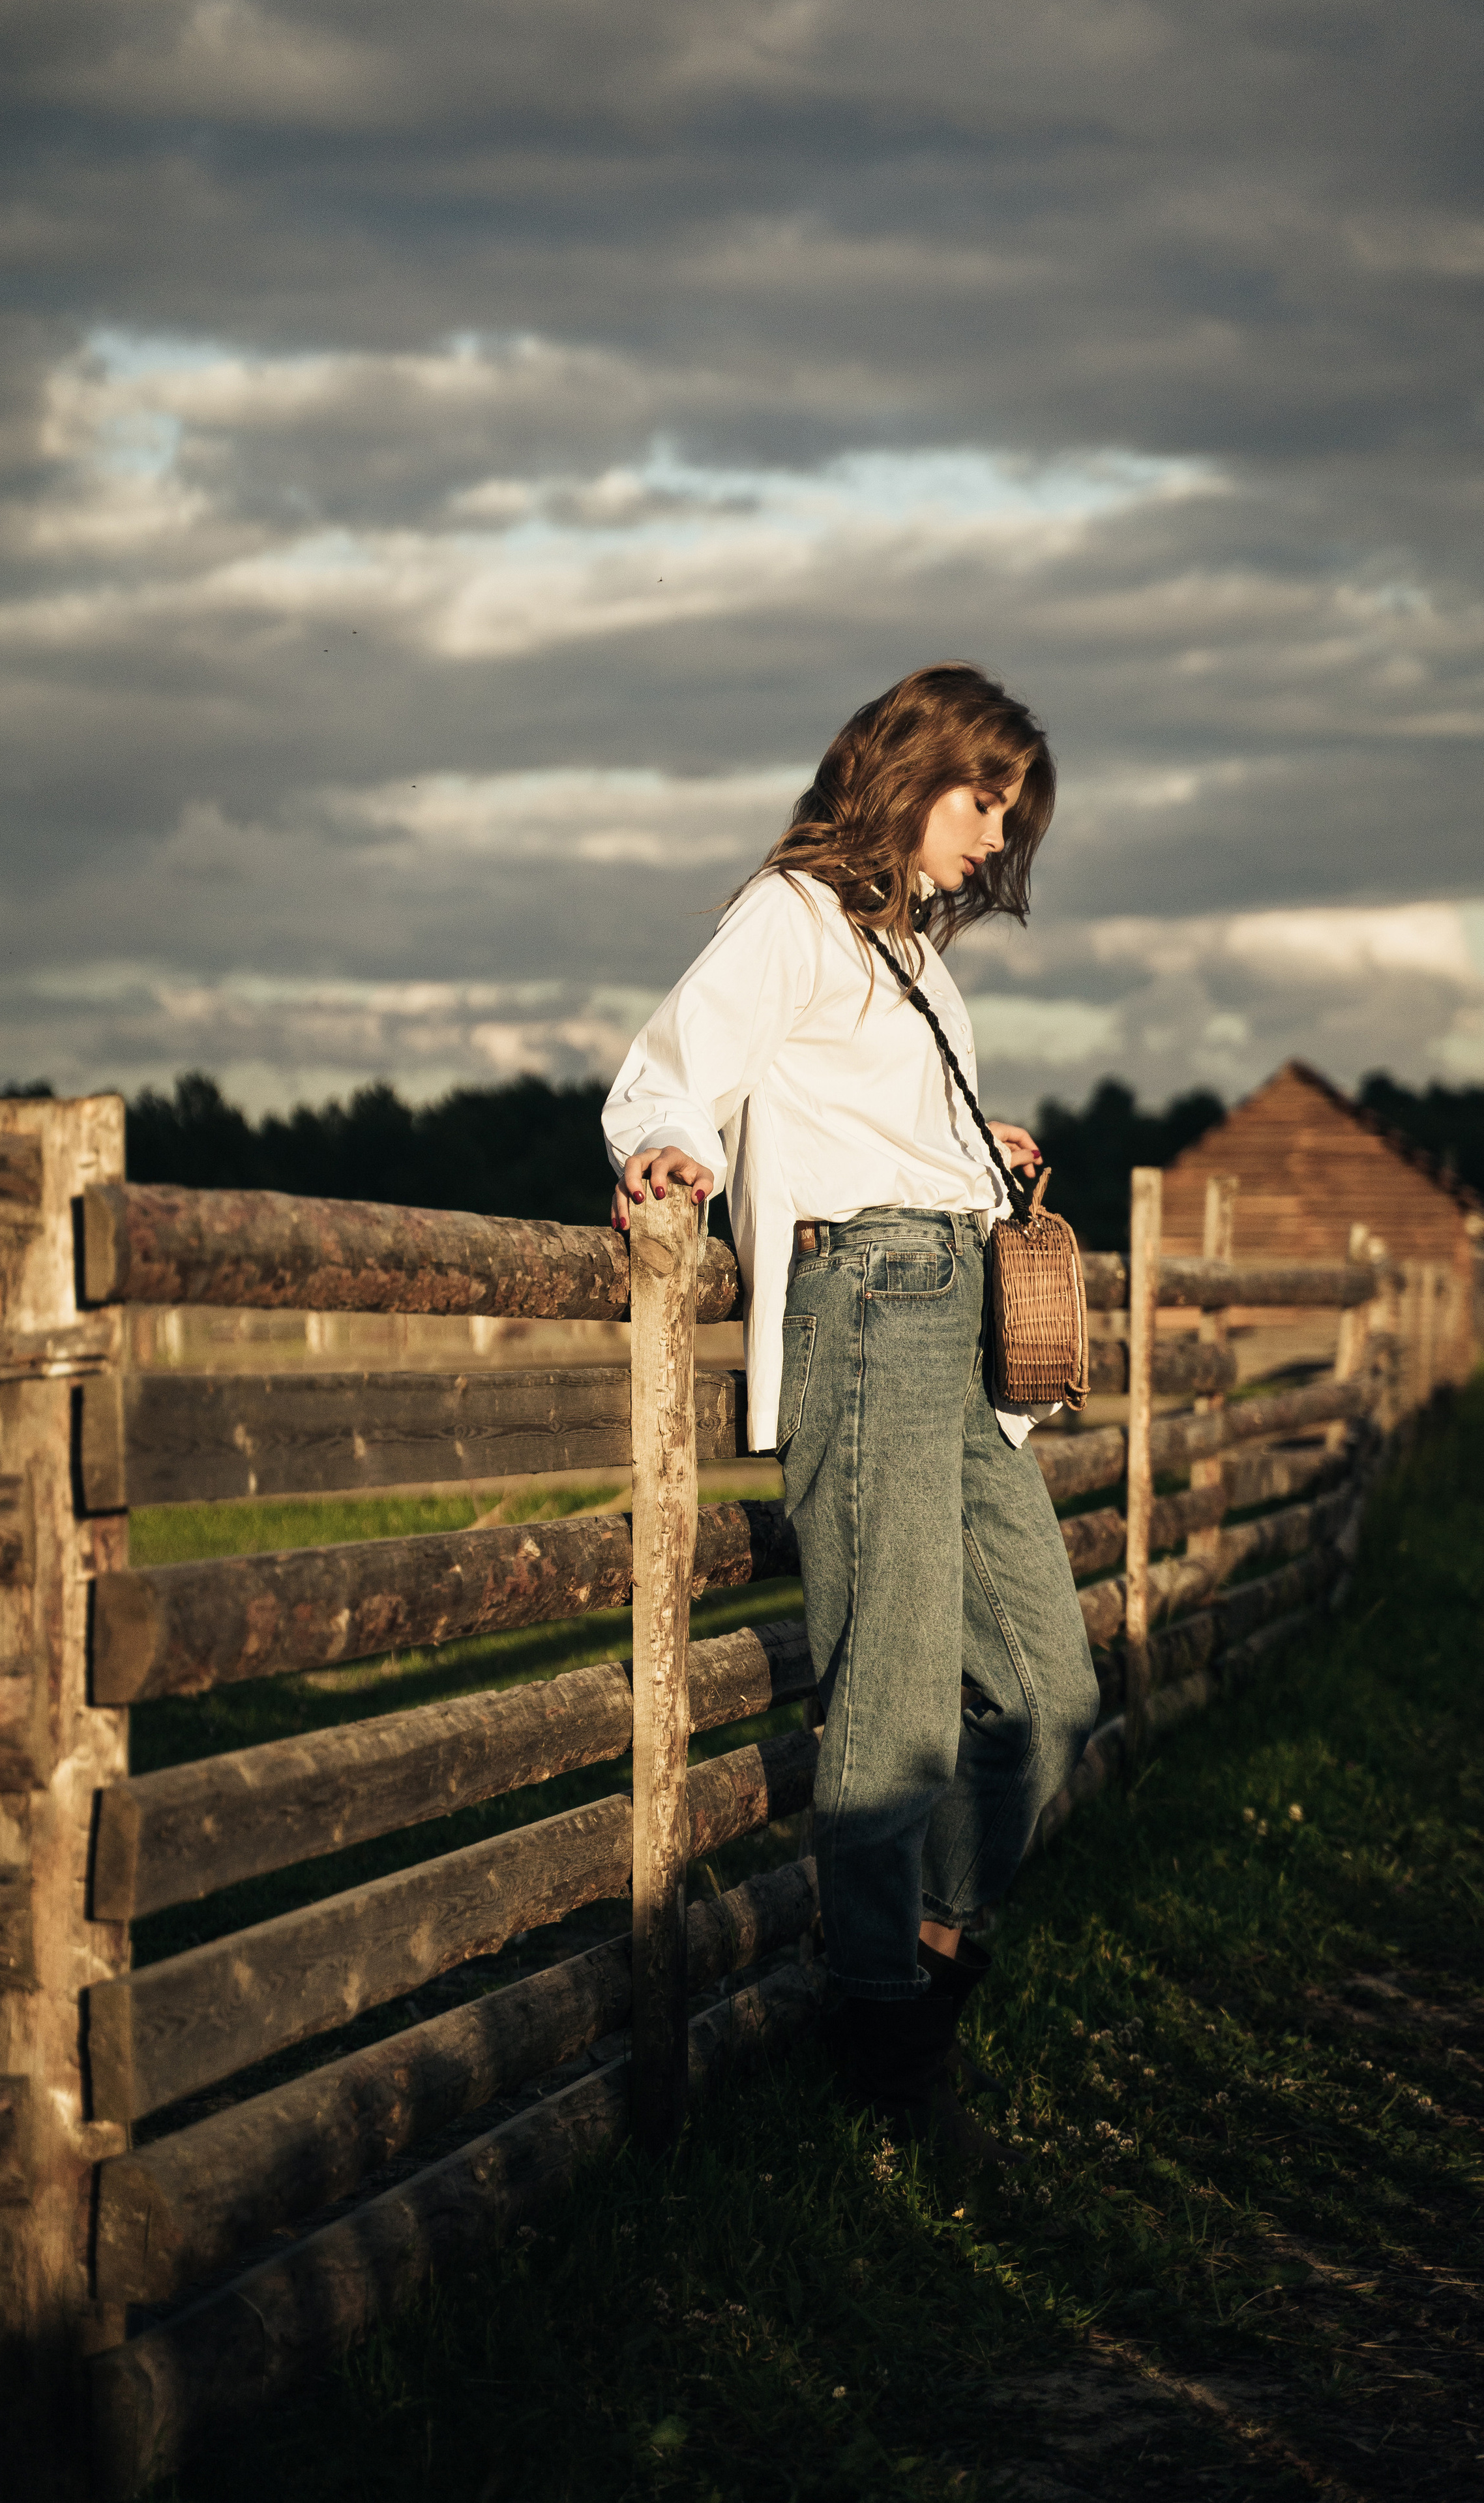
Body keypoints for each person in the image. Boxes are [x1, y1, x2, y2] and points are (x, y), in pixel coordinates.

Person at [602, 661, 1099, 2159]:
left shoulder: (907, 956)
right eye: (979, 798)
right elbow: (670, 1069)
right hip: (867, 1309)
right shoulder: (788, 916)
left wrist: (977, 1150)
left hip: (948, 1304)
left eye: (1006, 813)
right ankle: (886, 2048)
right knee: (887, 1711)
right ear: (905, 771)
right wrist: (669, 1159)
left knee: (1044, 1689)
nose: (992, 835)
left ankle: (920, 1968)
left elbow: (871, 1110)